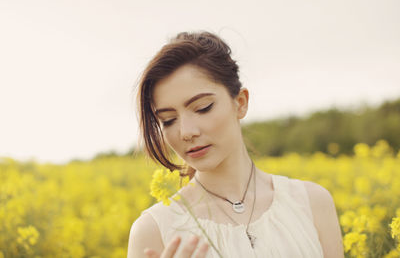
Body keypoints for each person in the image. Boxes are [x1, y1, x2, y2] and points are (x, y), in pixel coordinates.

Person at [127, 31, 344, 258]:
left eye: (203, 107)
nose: (186, 132)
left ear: (240, 103)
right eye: (168, 120)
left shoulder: (312, 203)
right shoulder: (152, 231)